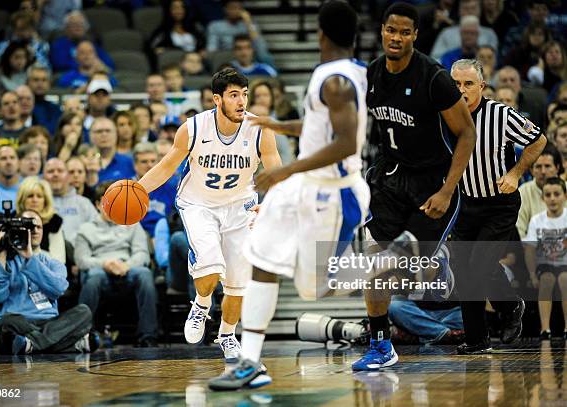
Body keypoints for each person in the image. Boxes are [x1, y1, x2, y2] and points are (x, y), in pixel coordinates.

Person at [208, 1, 371, 390]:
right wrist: (276, 125)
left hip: (333, 192)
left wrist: (285, 170)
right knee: (259, 257)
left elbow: (347, 143)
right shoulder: (339, 74)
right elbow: (319, 125)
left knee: (312, 288)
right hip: (308, 187)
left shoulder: (336, 81)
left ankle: (398, 259)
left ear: (320, 33)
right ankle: (249, 362)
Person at [356, 2, 476, 371]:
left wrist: (446, 191)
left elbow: (467, 134)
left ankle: (494, 300)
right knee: (374, 267)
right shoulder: (373, 74)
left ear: (415, 36)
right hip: (392, 177)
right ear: (382, 30)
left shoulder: (433, 77)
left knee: (402, 268)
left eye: (405, 32)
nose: (397, 37)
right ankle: (381, 345)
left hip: (432, 184)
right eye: (391, 30)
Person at [138, 67, 282, 362]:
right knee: (211, 265)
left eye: (244, 95)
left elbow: (276, 171)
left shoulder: (260, 130)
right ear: (217, 99)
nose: (241, 101)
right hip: (198, 204)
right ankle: (201, 304)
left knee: (238, 283)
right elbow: (166, 167)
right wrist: (138, 190)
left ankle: (227, 335)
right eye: (233, 96)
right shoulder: (192, 128)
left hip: (240, 207)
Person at [450, 59, 547, 353]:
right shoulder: (445, 115)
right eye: (456, 84)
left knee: (479, 265)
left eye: (468, 84)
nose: (461, 90)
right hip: (464, 203)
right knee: (464, 271)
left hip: (498, 204)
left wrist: (516, 174)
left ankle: (511, 305)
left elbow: (538, 140)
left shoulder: (500, 114)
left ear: (482, 86)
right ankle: (477, 339)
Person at [0, 209, 97, 354]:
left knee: (84, 312)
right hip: (16, 323)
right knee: (3, 324)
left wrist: (29, 258)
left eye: (39, 227)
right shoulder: (2, 260)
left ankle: (30, 345)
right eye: (30, 227)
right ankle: (64, 344)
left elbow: (58, 289)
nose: (35, 230)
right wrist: (1, 253)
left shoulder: (53, 263)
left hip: (47, 323)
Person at [76, 182, 158, 348]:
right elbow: (81, 260)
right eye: (108, 201)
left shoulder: (133, 224)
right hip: (100, 271)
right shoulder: (85, 229)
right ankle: (81, 334)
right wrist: (104, 263)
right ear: (98, 204)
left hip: (128, 271)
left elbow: (142, 253)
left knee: (145, 274)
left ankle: (148, 335)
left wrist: (126, 265)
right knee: (93, 276)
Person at [524, 177, 567, 340]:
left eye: (557, 194)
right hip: (545, 265)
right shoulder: (537, 220)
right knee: (547, 280)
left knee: (565, 279)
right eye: (548, 195)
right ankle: (545, 329)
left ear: (565, 196)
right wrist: (533, 275)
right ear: (543, 198)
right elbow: (530, 250)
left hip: (565, 264)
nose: (553, 198)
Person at [44, 158, 97, 243]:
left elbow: (96, 232)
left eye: (60, 171)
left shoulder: (84, 203)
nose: (55, 174)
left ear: (68, 176)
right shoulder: (37, 202)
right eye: (50, 171)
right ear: (43, 176)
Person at [516, 145, 565, 238]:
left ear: (557, 167)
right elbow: (519, 231)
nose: (543, 171)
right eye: (538, 167)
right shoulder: (523, 192)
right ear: (531, 170)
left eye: (547, 166)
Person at [15, 177, 67, 264]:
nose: (35, 200)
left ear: (45, 201)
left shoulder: (54, 222)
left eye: (39, 196)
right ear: (22, 200)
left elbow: (59, 260)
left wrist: (31, 254)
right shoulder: (13, 220)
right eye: (30, 196)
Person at [207, 0, 274, 66]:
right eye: (232, 8)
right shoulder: (215, 26)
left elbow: (260, 46)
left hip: (246, 54)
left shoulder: (249, 24)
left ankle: (272, 75)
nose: (235, 11)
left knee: (265, 56)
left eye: (238, 8)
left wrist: (248, 22)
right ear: (225, 9)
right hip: (226, 55)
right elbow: (212, 49)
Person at [90, 117, 136, 183]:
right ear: (91, 135)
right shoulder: (83, 163)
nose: (104, 134)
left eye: (108, 131)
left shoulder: (129, 162)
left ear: (116, 134)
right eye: (99, 131)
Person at [27, 65, 62, 135]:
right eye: (36, 80)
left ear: (49, 84)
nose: (40, 84)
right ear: (28, 82)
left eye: (44, 80)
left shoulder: (55, 110)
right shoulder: (21, 107)